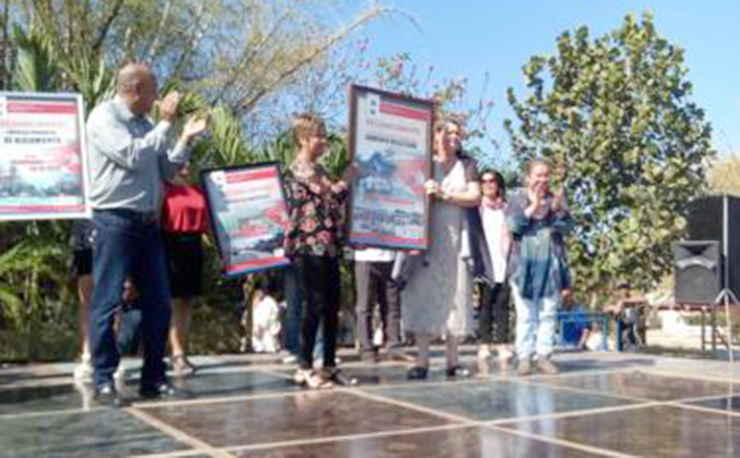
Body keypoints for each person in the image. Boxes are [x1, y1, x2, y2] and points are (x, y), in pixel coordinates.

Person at [86, 62, 206, 406]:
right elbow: (132, 156)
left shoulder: (147, 124)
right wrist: (166, 122)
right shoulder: (104, 117)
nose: (158, 97)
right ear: (136, 89)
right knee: (108, 302)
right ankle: (103, 380)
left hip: (149, 225)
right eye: (154, 89)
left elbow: (167, 169)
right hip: (114, 221)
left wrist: (184, 139)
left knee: (159, 303)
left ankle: (153, 378)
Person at [401, 117, 481, 380]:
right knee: (423, 294)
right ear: (436, 136)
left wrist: (444, 195)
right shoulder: (424, 163)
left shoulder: (467, 164)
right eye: (448, 132)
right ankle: (422, 361)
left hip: (456, 242)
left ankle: (452, 361)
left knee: (456, 295)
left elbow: (474, 196)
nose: (454, 137)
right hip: (425, 242)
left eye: (458, 133)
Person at [283, 113, 355, 389]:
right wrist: (347, 179)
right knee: (312, 306)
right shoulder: (299, 169)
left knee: (331, 306)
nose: (324, 141)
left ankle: (329, 365)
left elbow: (335, 204)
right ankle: (304, 366)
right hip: (307, 245)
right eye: (319, 136)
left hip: (329, 246)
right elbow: (331, 194)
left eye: (325, 136)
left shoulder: (320, 169)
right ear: (303, 139)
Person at [505, 159, 574, 376]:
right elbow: (513, 225)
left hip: (550, 265)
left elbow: (567, 228)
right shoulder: (516, 198)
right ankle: (524, 357)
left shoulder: (555, 200)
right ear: (528, 177)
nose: (542, 180)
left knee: (547, 314)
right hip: (523, 266)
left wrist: (559, 211)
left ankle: (543, 356)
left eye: (546, 175)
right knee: (526, 315)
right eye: (538, 175)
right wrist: (533, 207)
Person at [161, 163, 208, 376]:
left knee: (187, 300)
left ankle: (181, 350)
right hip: (171, 243)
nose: (186, 166)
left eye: (188, 162)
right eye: (180, 163)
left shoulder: (198, 189)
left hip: (194, 243)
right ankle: (176, 353)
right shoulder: (164, 188)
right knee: (174, 301)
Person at [475, 170, 514, 369]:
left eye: (492, 181)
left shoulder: (506, 209)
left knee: (502, 305)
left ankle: (502, 344)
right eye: (484, 181)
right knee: (485, 305)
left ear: (498, 184)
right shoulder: (476, 208)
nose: (488, 185)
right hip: (483, 260)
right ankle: (484, 344)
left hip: (503, 260)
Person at [353, 248, 412, 362]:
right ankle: (367, 350)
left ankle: (394, 346)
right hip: (365, 257)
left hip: (390, 258)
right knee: (364, 306)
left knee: (392, 305)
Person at [71, 220, 95, 382]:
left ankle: (111, 354)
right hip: (84, 235)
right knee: (85, 298)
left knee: (112, 296)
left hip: (114, 230)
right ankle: (87, 355)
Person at [251, 282, 282, 353]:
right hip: (262, 335)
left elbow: (271, 318)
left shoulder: (268, 303)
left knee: (268, 342)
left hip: (268, 331)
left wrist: (257, 325)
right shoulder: (258, 305)